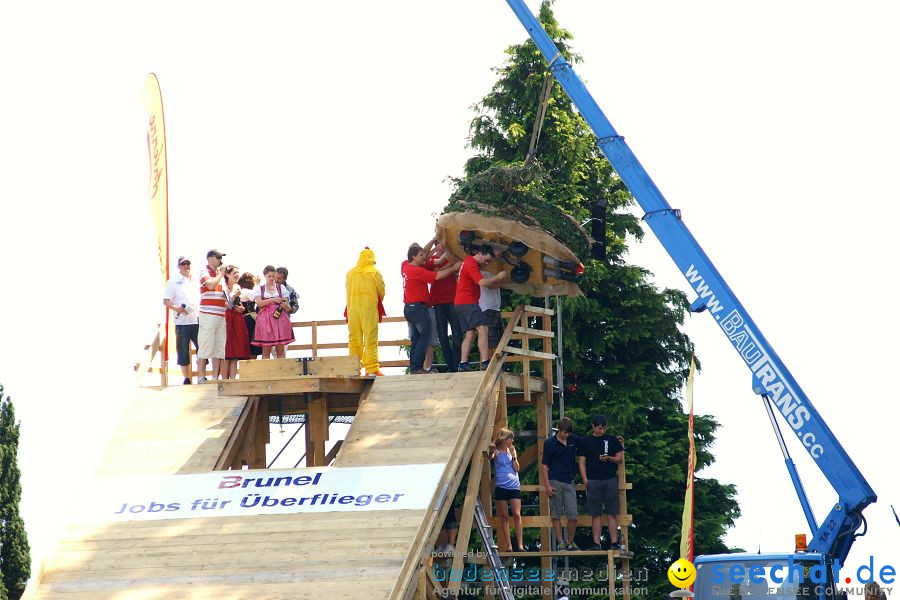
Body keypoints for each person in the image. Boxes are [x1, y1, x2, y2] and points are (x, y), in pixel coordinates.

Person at [401, 243, 460, 375]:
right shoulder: (417, 271)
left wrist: (433, 243)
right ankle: (417, 368)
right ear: (413, 257)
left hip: (409, 308)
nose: (424, 256)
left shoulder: (405, 267)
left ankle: (415, 367)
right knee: (424, 337)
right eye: (421, 255)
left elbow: (427, 255)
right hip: (418, 308)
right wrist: (453, 268)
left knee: (416, 338)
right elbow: (437, 276)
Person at [454, 244, 508, 371]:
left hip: (460, 303)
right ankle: (485, 362)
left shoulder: (469, 261)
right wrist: (498, 277)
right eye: (486, 260)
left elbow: (484, 261)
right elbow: (482, 282)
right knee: (483, 329)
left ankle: (463, 363)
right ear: (479, 254)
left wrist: (494, 255)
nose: (487, 263)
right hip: (468, 302)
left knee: (470, 333)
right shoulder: (471, 264)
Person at [578, 414, 625, 551]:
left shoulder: (612, 439)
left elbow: (619, 458)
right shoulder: (586, 441)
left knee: (612, 512)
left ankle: (614, 542)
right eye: (599, 428)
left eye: (604, 428)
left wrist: (609, 458)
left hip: (610, 479)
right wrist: (585, 480)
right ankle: (596, 543)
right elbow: (581, 462)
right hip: (593, 480)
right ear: (593, 426)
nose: (602, 431)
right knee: (595, 513)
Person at [541, 416, 581, 551]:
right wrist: (547, 484)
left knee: (573, 514)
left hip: (569, 481)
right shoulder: (549, 443)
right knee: (556, 514)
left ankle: (570, 541)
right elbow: (544, 465)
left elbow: (588, 443)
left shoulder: (573, 439)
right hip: (554, 480)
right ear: (559, 430)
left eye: (568, 432)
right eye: (564, 432)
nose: (566, 435)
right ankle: (561, 542)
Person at [346, 247, 386, 377]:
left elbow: (347, 288)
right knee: (370, 338)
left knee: (354, 339)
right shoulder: (375, 272)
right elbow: (381, 291)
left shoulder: (350, 273)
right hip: (368, 309)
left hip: (353, 309)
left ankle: (353, 369)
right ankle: (372, 369)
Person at [425, 239, 462, 372]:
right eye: (439, 245)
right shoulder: (432, 260)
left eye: (443, 245)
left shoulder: (451, 257)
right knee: (442, 336)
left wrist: (452, 263)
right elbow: (435, 272)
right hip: (438, 302)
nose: (442, 248)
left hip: (453, 300)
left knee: (457, 334)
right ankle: (451, 366)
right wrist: (451, 267)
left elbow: (458, 262)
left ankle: (454, 366)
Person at [163, 255, 200, 384]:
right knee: (183, 350)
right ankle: (186, 377)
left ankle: (201, 375)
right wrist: (177, 309)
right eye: (183, 264)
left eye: (188, 263)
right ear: (178, 266)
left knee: (203, 348)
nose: (186, 266)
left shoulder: (195, 280)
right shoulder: (173, 281)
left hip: (196, 318)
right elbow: (166, 301)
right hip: (182, 321)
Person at [490, 428, 525, 552]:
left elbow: (517, 468)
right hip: (501, 486)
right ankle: (509, 545)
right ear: (506, 439)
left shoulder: (512, 450)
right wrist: (493, 446)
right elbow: (491, 456)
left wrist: (514, 456)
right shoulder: (497, 450)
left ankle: (520, 545)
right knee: (504, 516)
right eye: (510, 438)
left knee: (516, 514)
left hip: (514, 485)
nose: (512, 440)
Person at [252, 265, 295, 359]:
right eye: (269, 276)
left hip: (279, 318)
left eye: (273, 276)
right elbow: (259, 303)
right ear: (265, 276)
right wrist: (274, 299)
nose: (271, 278)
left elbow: (287, 304)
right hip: (265, 320)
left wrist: (285, 304)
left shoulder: (281, 288)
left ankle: (282, 372)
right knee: (266, 350)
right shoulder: (260, 289)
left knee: (280, 350)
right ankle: (267, 372)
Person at [198, 249, 228, 381]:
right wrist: (221, 274)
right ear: (210, 259)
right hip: (208, 314)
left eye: (221, 257)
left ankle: (215, 377)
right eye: (218, 257)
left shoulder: (219, 276)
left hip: (221, 314)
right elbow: (210, 285)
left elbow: (223, 294)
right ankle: (200, 377)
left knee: (218, 347)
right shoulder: (204, 272)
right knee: (206, 344)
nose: (220, 260)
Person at [222, 265, 251, 379]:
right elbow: (226, 305)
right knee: (226, 351)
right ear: (227, 274)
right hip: (227, 319)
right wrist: (234, 296)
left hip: (237, 319)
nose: (237, 275)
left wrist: (241, 308)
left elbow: (238, 304)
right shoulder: (223, 287)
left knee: (235, 352)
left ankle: (233, 379)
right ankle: (224, 380)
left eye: (238, 272)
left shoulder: (237, 286)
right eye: (234, 272)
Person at [478, 266, 505, 356]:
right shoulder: (480, 272)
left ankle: (497, 366)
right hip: (486, 308)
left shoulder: (493, 271)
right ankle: (489, 365)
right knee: (489, 341)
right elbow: (490, 286)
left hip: (496, 308)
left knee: (500, 341)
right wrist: (507, 281)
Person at [237, 272, 262, 358]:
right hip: (249, 318)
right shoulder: (246, 291)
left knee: (247, 344)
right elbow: (254, 297)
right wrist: (258, 284)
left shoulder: (240, 291)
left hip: (244, 318)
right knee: (252, 344)